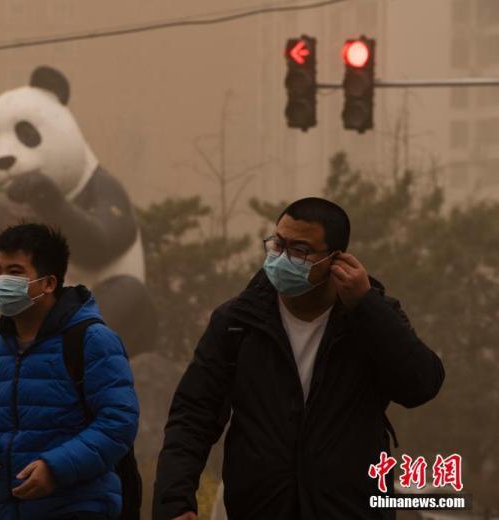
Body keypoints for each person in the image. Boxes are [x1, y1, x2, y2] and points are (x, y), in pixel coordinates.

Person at [152, 197, 445, 520]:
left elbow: (421, 385)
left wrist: (366, 306)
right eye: (278, 244)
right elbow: (192, 416)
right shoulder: (237, 322)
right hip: (261, 510)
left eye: (299, 250)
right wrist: (175, 503)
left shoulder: (370, 319)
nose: (281, 258)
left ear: (335, 259)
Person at [0, 223, 139, 520]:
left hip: (80, 508)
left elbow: (118, 422)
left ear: (49, 283)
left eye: (15, 272)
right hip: (9, 509)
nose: (1, 281)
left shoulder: (91, 340)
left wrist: (55, 468)